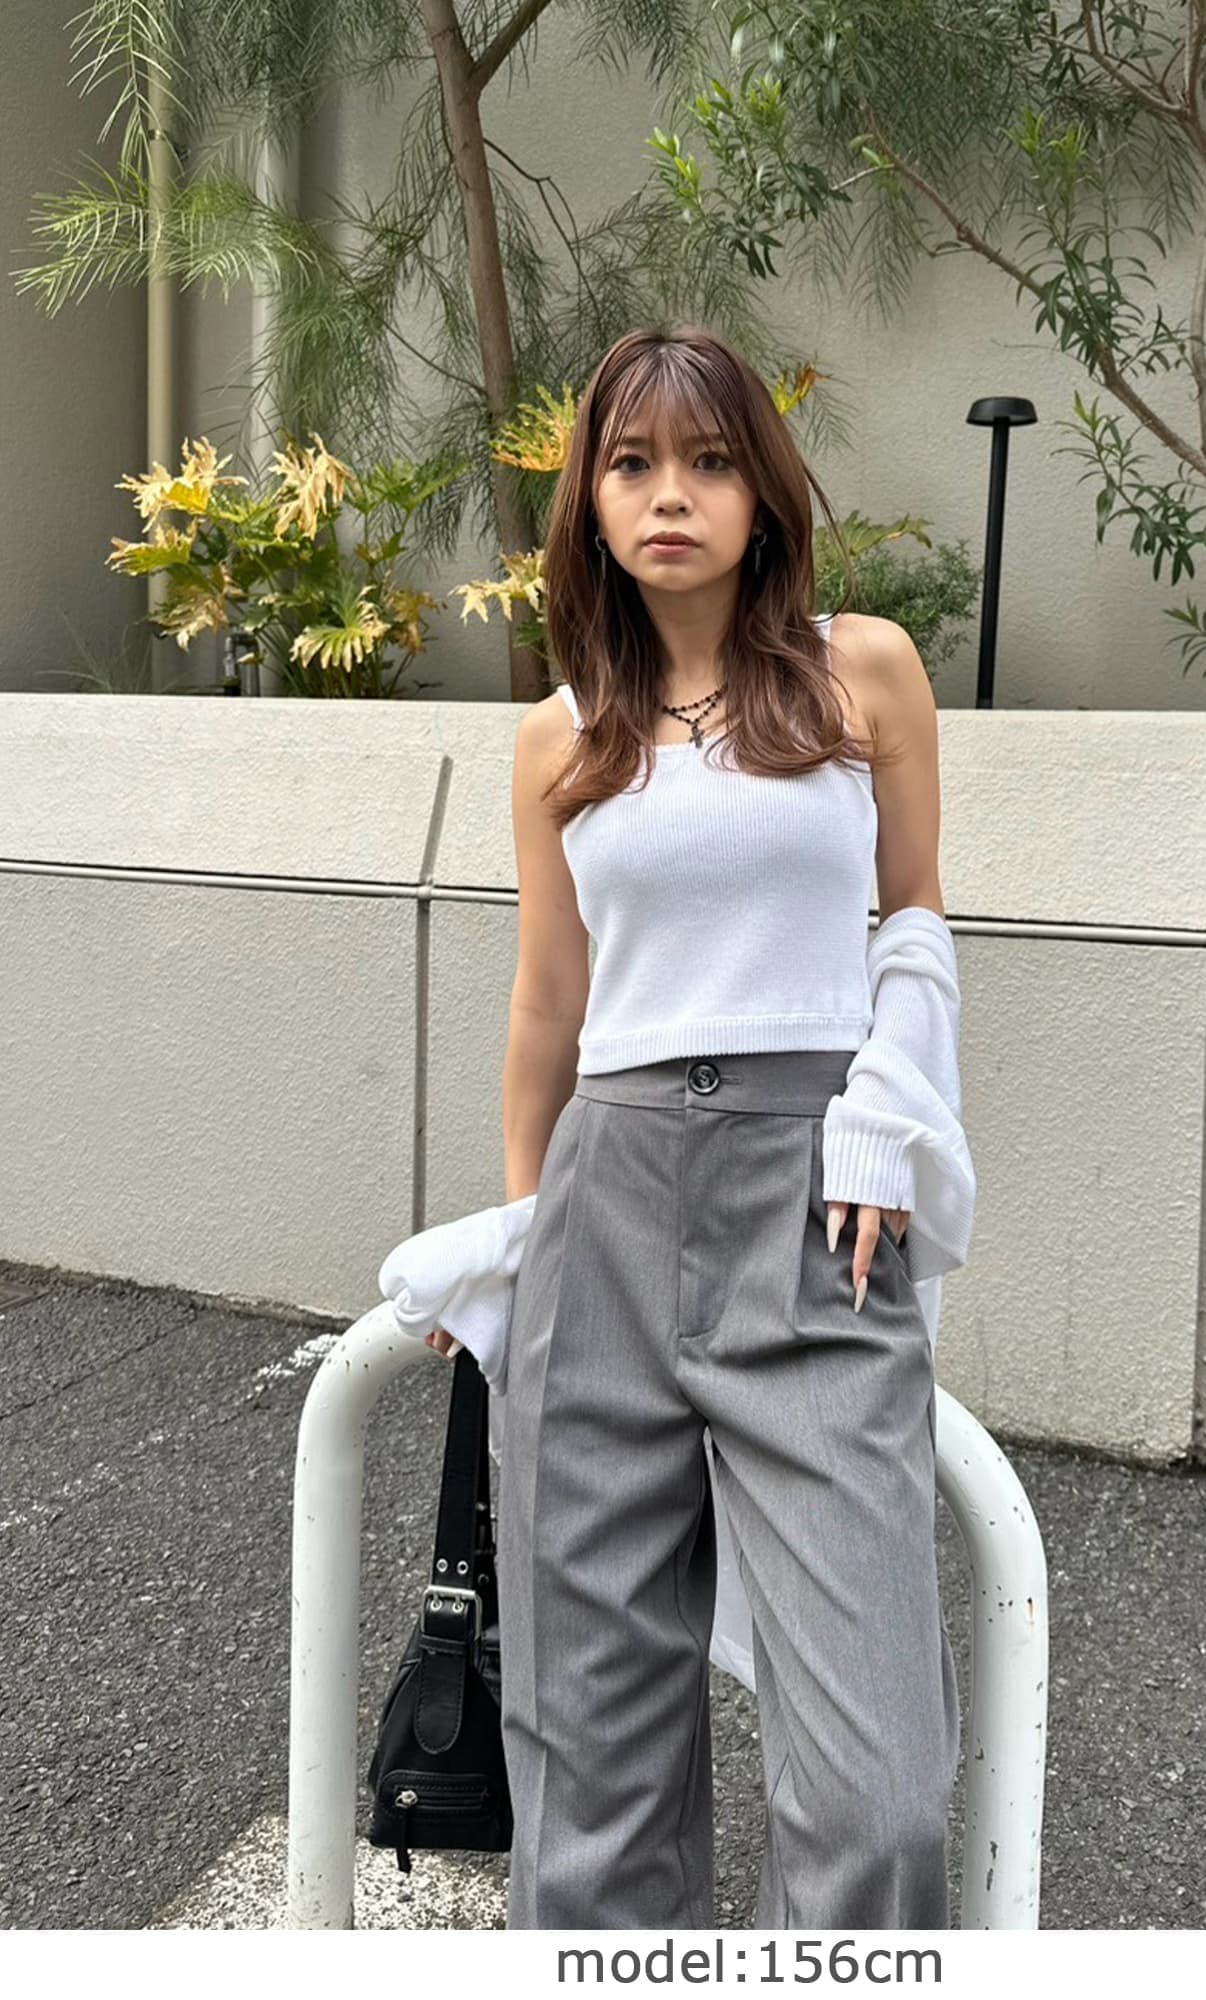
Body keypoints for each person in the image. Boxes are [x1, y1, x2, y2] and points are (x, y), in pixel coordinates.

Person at [425, 323, 968, 1931]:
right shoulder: (559, 738)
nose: (672, 495)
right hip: (604, 1207)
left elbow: (916, 920)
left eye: (712, 461)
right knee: (591, 1779)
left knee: (877, 1799)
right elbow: (549, 1005)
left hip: (812, 1209)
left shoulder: (864, 673)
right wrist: (525, 1233)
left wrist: (884, 1111)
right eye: (634, 463)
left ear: (764, 493)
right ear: (590, 502)